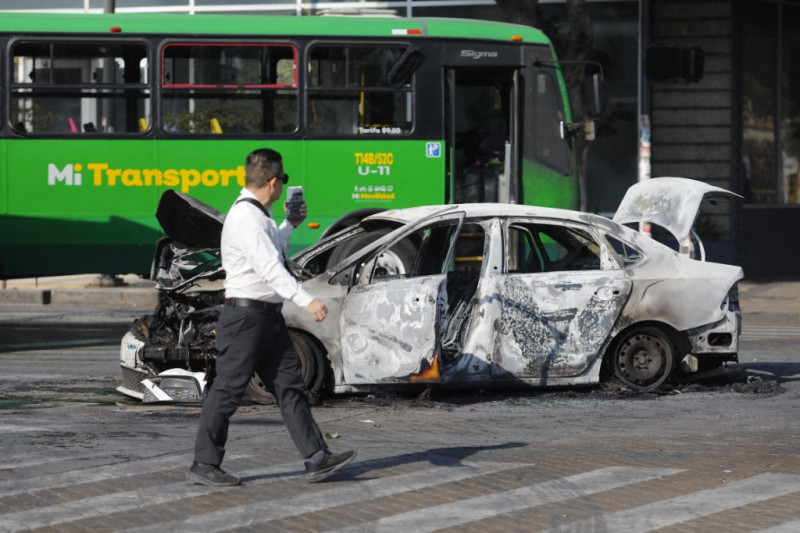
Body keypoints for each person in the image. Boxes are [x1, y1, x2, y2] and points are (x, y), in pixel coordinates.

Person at [189, 148, 356, 486]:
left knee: (290, 388)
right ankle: (205, 463)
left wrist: (288, 226)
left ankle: (316, 457)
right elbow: (269, 268)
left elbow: (270, 250)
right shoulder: (246, 218)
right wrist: (307, 301)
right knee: (227, 391)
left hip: (267, 319)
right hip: (245, 319)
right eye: (283, 181)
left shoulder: (257, 215)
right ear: (275, 182)